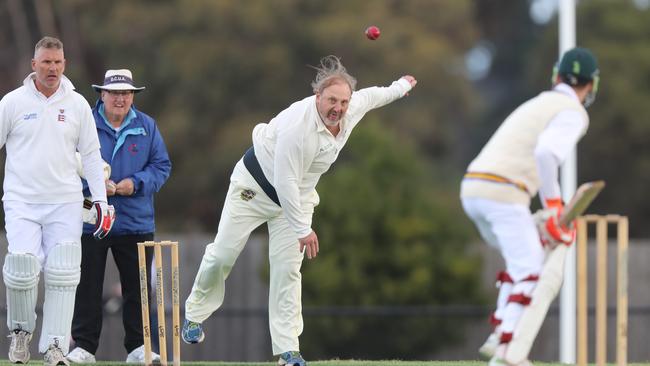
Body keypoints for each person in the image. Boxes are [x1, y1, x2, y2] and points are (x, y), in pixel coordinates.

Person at [181, 55, 417, 365]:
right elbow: (284, 181)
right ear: (318, 96)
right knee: (223, 255)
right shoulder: (297, 126)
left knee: (288, 272)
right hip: (255, 187)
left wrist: (401, 86)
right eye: (332, 100)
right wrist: (303, 229)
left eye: (344, 102)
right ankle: (195, 314)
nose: (338, 108)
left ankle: (287, 351)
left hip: (296, 198)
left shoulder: (350, 109)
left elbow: (373, 96)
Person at [460, 47, 600, 366]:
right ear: (591, 84)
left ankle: (501, 339)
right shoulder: (573, 112)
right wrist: (554, 206)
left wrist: (552, 210)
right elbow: (547, 154)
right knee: (532, 269)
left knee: (523, 259)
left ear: (557, 75)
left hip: (472, 189)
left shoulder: (538, 102)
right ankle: (507, 349)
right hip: (503, 192)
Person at [0, 36, 115, 366]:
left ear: (64, 65)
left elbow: (91, 157)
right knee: (22, 268)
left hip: (65, 201)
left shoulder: (77, 104)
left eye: (58, 63)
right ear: (34, 65)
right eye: (46, 62)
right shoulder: (12, 102)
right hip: (21, 200)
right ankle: (21, 335)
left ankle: (54, 348)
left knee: (63, 272)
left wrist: (101, 202)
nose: (52, 68)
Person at [66, 69, 171, 364]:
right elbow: (65, 165)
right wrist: (95, 186)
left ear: (132, 96)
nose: (120, 99)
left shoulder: (147, 126)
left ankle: (138, 347)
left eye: (126, 93)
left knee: (137, 289)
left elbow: (161, 167)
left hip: (135, 220)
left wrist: (133, 184)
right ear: (103, 94)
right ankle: (84, 347)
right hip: (91, 220)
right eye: (114, 93)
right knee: (87, 286)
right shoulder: (82, 121)